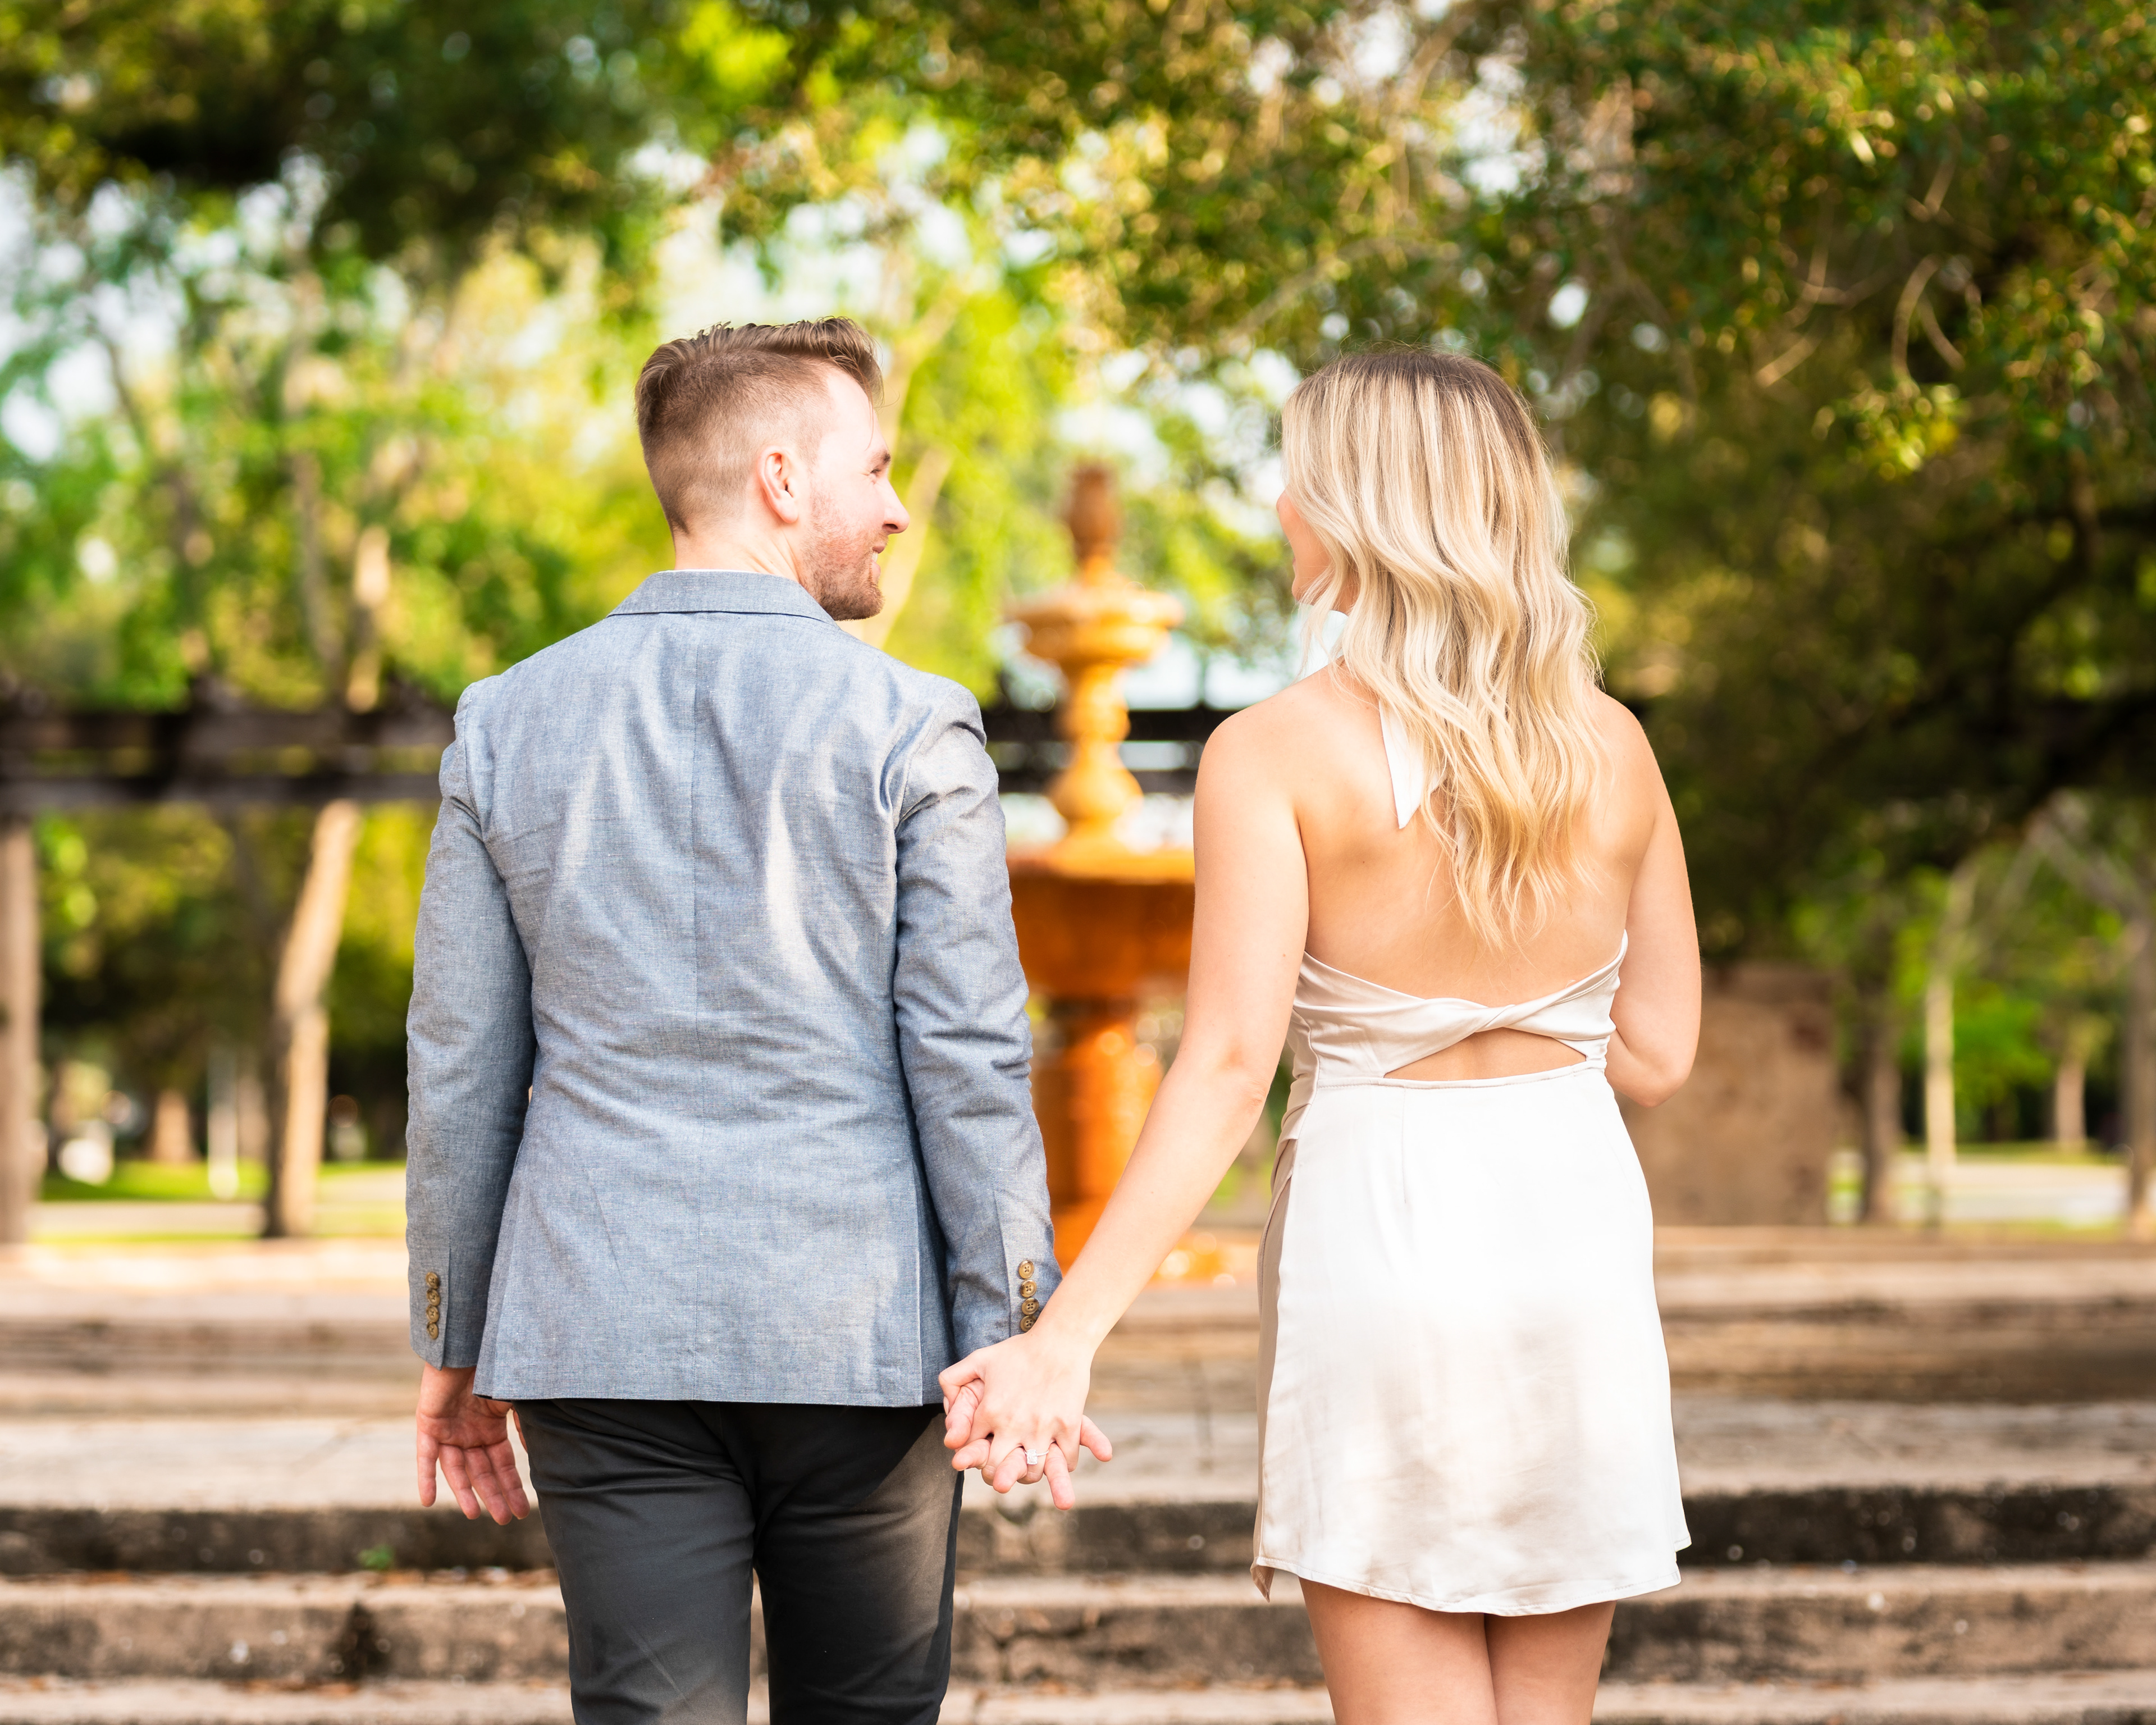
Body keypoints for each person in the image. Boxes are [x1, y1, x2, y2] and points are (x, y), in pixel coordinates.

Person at [941, 349, 1700, 1724]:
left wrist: (1065, 1336)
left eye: (1298, 479)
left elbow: (1231, 1064)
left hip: (1384, 1233)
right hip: (1575, 1238)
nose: (1282, 506)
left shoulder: (1273, 752)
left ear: (1361, 509)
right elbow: (1657, 1051)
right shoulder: (1616, 749)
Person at [403, 316, 1099, 1725]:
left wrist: (453, 1339)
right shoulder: (914, 725)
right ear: (782, 478)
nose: (896, 509)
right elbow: (967, 1058)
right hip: (862, 1334)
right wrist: (1014, 1328)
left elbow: (462, 1067)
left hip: (599, 1329)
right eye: (876, 470)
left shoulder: (506, 722)